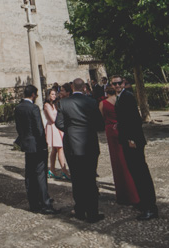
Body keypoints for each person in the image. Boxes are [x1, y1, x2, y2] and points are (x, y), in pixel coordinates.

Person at [56, 78, 104, 222]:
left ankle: (80, 211)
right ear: (84, 87)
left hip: (72, 146)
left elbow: (59, 123)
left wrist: (71, 131)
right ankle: (93, 213)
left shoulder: (63, 103)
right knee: (90, 179)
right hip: (90, 144)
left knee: (77, 180)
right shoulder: (91, 102)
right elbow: (100, 125)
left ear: (72, 87)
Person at [113, 75, 158, 221]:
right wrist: (119, 125)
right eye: (114, 84)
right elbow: (125, 118)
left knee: (141, 174)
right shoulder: (121, 97)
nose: (117, 85)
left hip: (133, 141)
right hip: (127, 140)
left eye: (119, 83)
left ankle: (150, 207)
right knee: (135, 173)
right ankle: (143, 203)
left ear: (124, 83)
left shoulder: (128, 97)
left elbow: (134, 119)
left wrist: (132, 139)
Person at [14, 85, 60, 214]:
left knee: (30, 175)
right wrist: (44, 145)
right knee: (40, 175)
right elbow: (39, 129)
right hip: (37, 146)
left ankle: (33, 203)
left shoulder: (18, 108)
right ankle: (45, 204)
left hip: (27, 146)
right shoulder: (33, 108)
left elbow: (19, 128)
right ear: (33, 94)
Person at [99, 82, 140, 206]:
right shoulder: (119, 100)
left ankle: (123, 194)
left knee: (117, 162)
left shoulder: (103, 103)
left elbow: (102, 118)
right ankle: (134, 193)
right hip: (122, 130)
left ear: (106, 92)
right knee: (127, 160)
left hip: (111, 131)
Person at [43, 88, 71, 181]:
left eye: (55, 94)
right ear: (48, 95)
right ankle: (64, 170)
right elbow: (52, 118)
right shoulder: (46, 105)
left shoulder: (55, 105)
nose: (54, 96)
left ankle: (52, 170)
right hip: (53, 127)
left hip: (57, 127)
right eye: (52, 94)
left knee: (55, 150)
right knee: (60, 148)